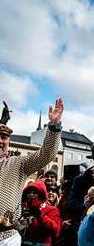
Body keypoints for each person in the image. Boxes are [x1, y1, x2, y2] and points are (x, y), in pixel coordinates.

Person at [0, 98, 63, 244]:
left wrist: (54, 126)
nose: (1, 141)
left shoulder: (18, 163)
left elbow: (47, 154)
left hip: (5, 237)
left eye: (4, 137)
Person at [20, 181, 62, 245]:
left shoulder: (52, 210)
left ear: (41, 194)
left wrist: (40, 217)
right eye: (29, 192)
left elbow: (56, 231)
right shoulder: (21, 209)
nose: (31, 195)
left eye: (35, 192)